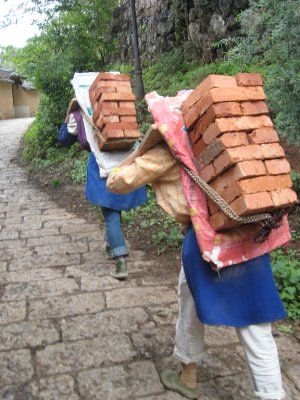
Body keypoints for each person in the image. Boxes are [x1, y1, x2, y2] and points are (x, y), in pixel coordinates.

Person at [106, 125, 287, 400]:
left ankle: (188, 377)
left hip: (205, 242)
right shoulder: (229, 140)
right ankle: (269, 393)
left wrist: (134, 155)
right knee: (256, 322)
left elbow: (117, 183)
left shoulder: (167, 152)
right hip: (250, 237)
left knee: (189, 304)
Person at [58, 98, 147, 279]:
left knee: (110, 213)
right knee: (114, 207)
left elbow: (64, 140)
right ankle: (110, 245)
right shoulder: (120, 109)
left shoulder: (79, 115)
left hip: (102, 165)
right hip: (129, 161)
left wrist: (68, 117)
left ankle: (120, 261)